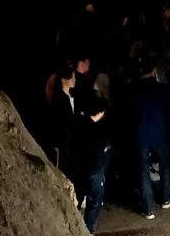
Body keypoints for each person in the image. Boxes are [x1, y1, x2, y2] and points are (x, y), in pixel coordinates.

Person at [134, 56, 170, 219]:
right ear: (154, 71)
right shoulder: (162, 89)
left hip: (141, 134)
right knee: (165, 165)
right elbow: (169, 110)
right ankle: (166, 197)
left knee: (143, 170)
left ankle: (148, 207)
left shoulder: (135, 90)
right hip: (159, 132)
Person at [75, 91, 113, 233]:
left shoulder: (79, 124)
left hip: (79, 170)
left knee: (77, 198)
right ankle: (87, 230)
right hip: (94, 172)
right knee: (94, 203)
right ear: (101, 113)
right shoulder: (100, 133)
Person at [49, 63, 78, 178]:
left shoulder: (69, 97)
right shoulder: (59, 99)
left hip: (66, 144)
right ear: (66, 79)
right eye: (73, 77)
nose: (75, 79)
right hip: (59, 144)